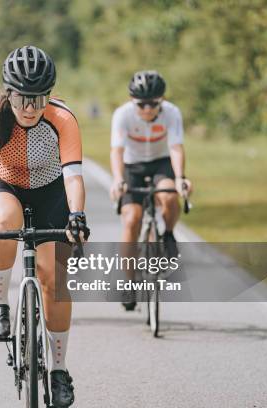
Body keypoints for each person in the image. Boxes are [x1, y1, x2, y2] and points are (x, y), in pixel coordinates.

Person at [0, 45, 89, 408]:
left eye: (39, 99)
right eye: (22, 98)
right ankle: (0, 305)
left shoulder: (63, 119)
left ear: (49, 95)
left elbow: (74, 178)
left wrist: (76, 216)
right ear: (9, 92)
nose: (31, 109)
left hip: (52, 192)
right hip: (6, 187)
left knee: (55, 285)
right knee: (4, 220)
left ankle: (59, 370)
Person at [109, 70, 193, 310]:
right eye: (141, 104)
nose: (147, 109)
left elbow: (176, 147)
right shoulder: (122, 115)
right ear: (132, 101)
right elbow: (117, 151)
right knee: (131, 219)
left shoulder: (172, 113)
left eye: (153, 104)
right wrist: (117, 179)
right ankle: (128, 284)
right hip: (132, 166)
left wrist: (179, 178)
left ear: (162, 101)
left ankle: (167, 234)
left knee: (168, 195)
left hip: (161, 163)